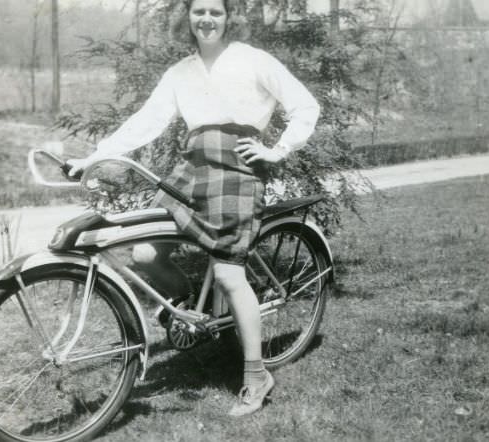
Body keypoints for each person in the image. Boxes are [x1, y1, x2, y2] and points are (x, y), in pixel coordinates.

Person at [68, 0, 319, 417]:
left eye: (215, 12)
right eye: (199, 11)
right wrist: (97, 156)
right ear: (188, 17)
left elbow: (305, 104)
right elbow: (147, 120)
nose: (206, 19)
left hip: (237, 168)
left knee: (227, 271)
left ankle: (256, 375)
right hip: (191, 168)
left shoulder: (252, 60)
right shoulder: (180, 71)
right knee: (144, 251)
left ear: (228, 18)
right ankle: (187, 306)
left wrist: (276, 151)